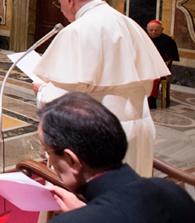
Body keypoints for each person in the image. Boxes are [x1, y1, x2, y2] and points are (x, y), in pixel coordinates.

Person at [32, 0, 169, 177]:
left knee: (96, 201)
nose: (60, 8)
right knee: (130, 196)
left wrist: (42, 90)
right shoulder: (129, 24)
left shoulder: (77, 31)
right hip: (140, 127)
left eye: (58, 2)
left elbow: (64, 101)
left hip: (98, 137)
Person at [38, 92, 195, 222]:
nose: (49, 161)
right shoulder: (172, 191)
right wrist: (86, 212)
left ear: (72, 161)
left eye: (48, 151)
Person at [146, 20, 179, 109]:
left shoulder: (168, 41)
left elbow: (167, 57)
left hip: (159, 67)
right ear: (147, 29)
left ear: (162, 29)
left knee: (151, 77)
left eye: (156, 30)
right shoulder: (143, 38)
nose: (153, 32)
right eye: (151, 30)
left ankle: (150, 102)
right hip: (144, 65)